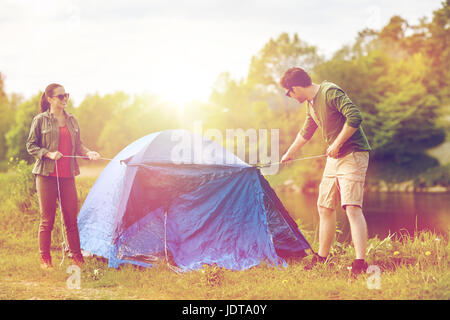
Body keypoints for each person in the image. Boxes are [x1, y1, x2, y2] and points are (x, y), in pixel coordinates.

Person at [280, 67, 372, 276]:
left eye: (288, 92)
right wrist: (290, 153)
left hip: (353, 154)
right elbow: (307, 131)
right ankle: (322, 257)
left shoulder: (330, 92)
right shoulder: (311, 104)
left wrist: (338, 143)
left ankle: (360, 263)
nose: (289, 96)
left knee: (352, 208)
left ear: (295, 88)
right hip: (334, 158)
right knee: (324, 206)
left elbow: (355, 117)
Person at [26, 83, 101, 270]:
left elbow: (79, 145)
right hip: (46, 176)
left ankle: (77, 258)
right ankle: (45, 260)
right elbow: (31, 145)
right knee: (47, 220)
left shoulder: (72, 120)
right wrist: (48, 153)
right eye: (61, 96)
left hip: (68, 177)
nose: (65, 99)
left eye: (66, 95)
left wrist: (89, 153)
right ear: (50, 99)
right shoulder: (40, 120)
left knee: (71, 219)